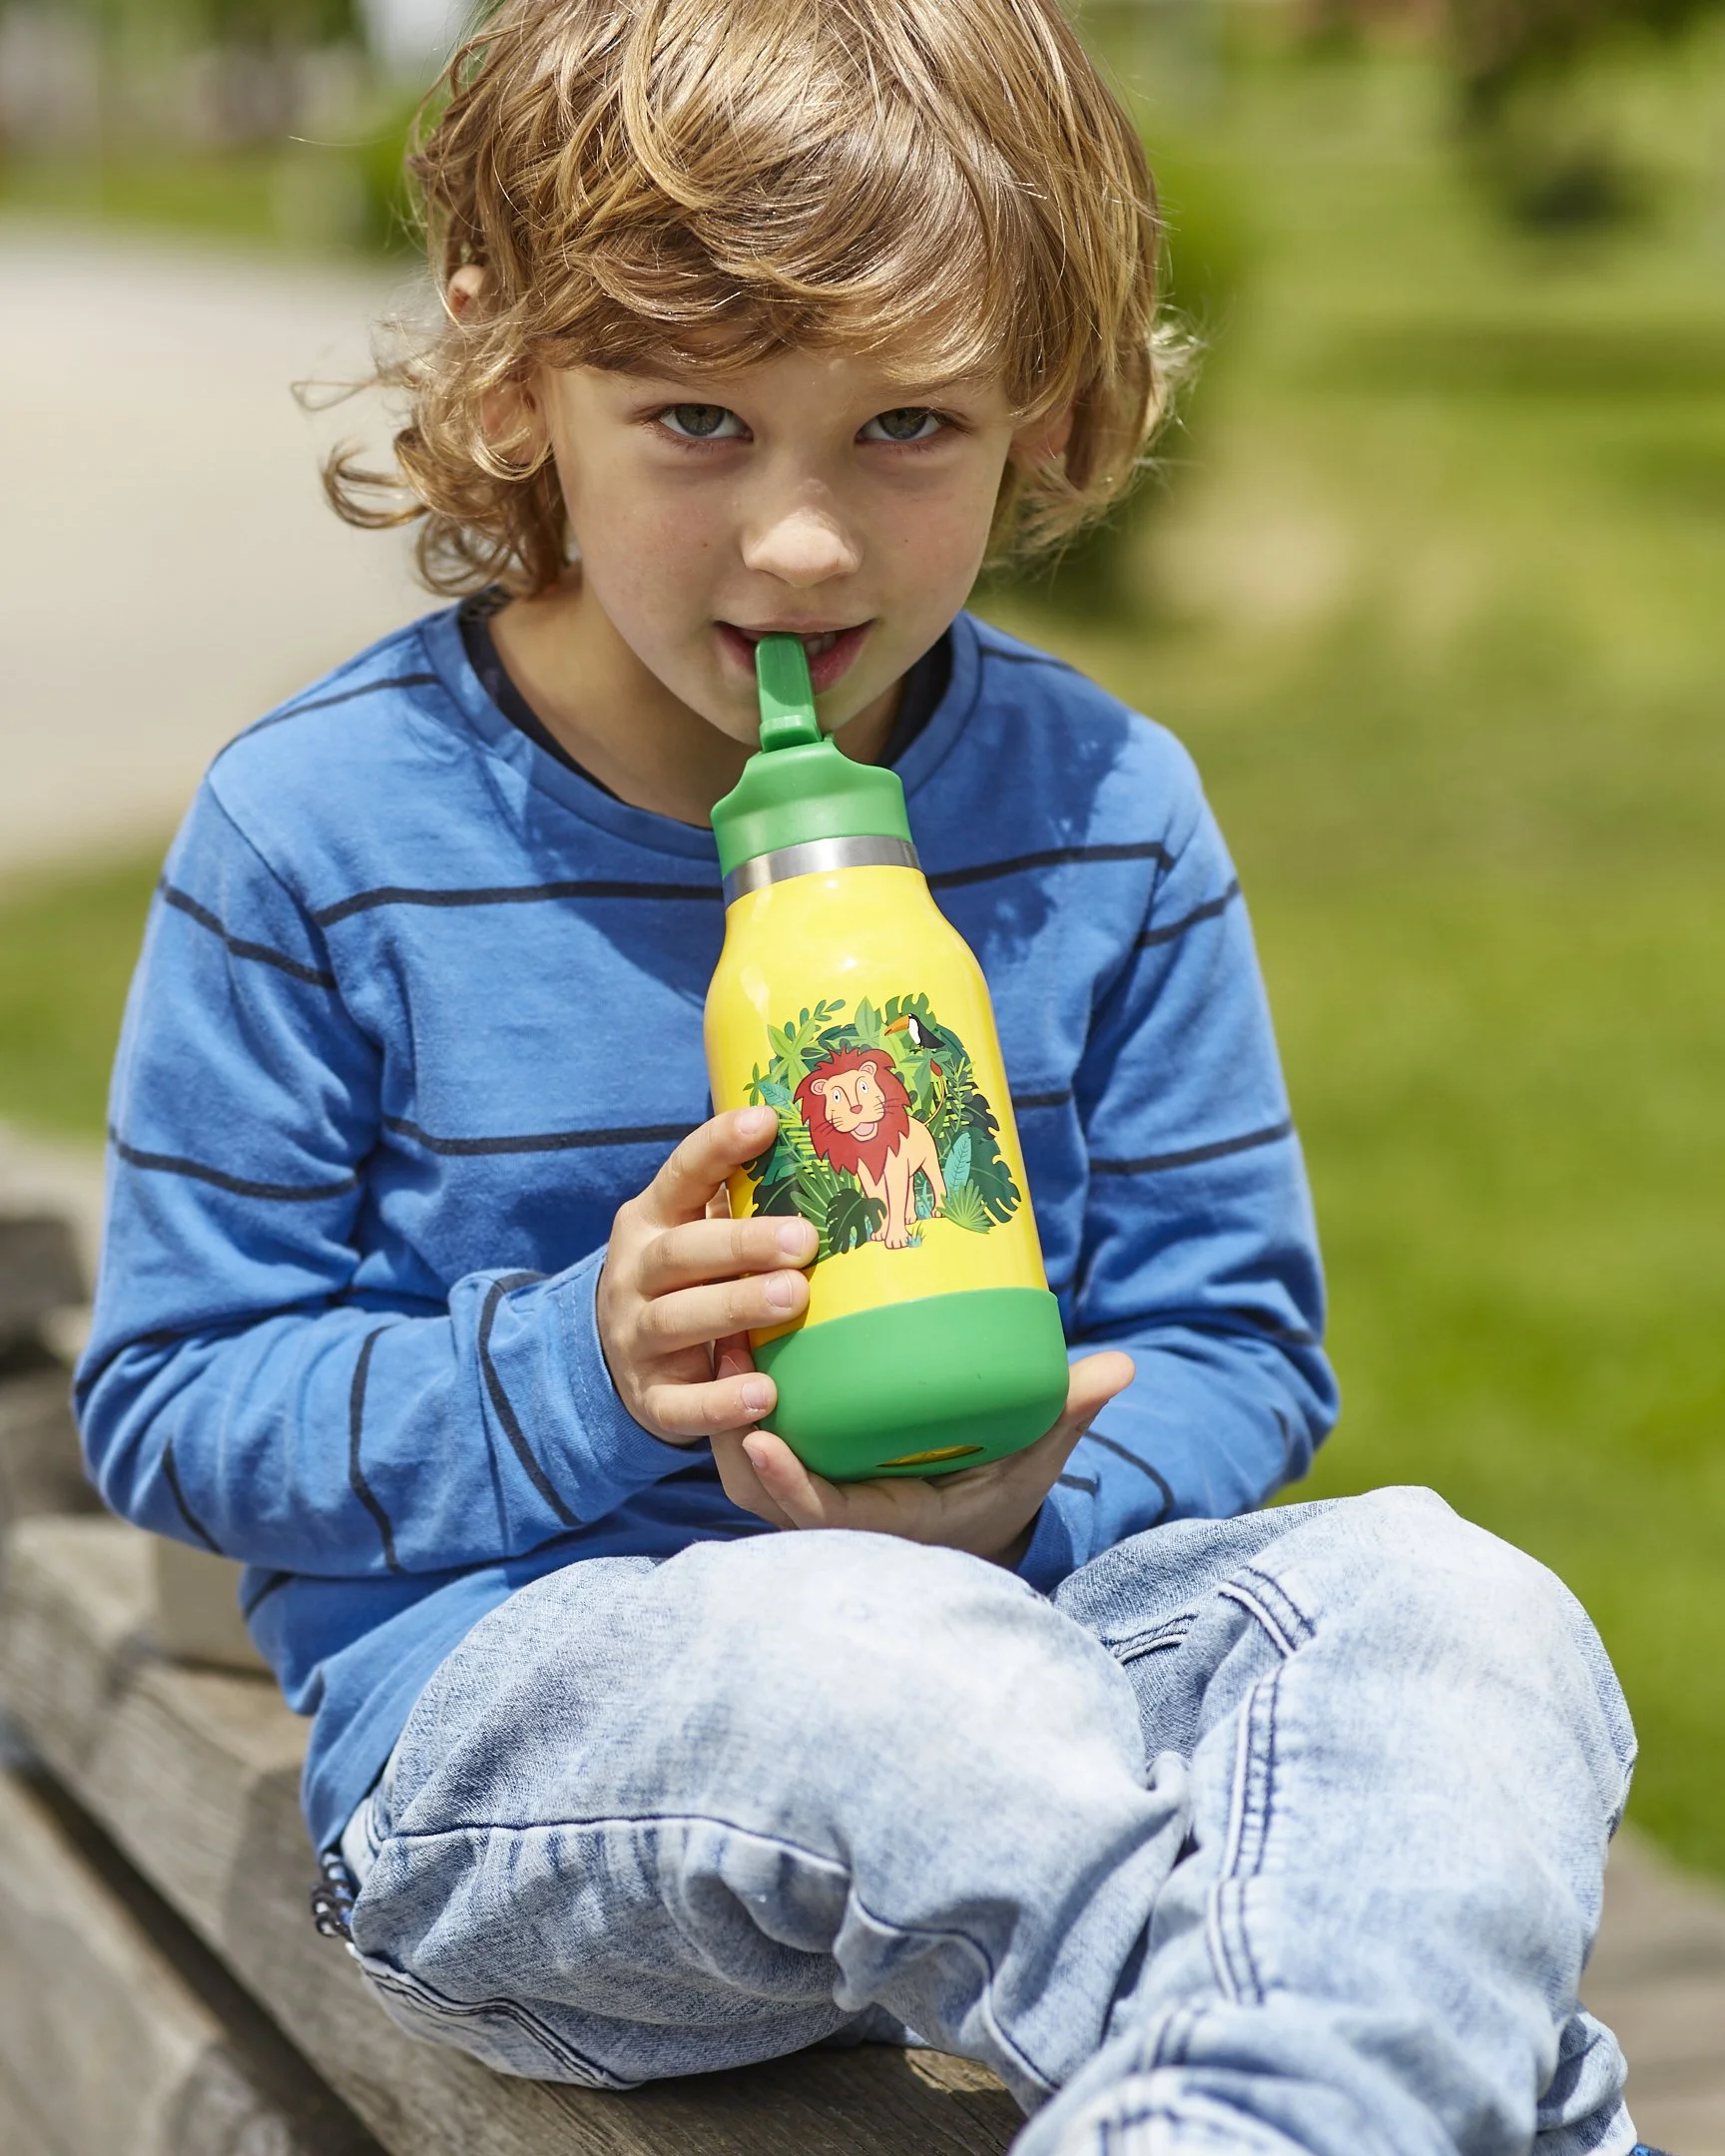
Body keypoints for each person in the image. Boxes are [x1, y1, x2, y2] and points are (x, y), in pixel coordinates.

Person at [77, 3, 1652, 2150]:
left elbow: (1232, 1331)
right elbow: (173, 1411)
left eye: (907, 427)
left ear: (1050, 412)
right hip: (521, 1750)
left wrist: (1040, 1504)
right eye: (700, 421)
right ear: (519, 375)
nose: (805, 548)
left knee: (1464, 1615)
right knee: (906, 1680)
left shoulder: (1099, 803)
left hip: (1030, 1649)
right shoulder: (326, 837)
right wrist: (572, 1367)